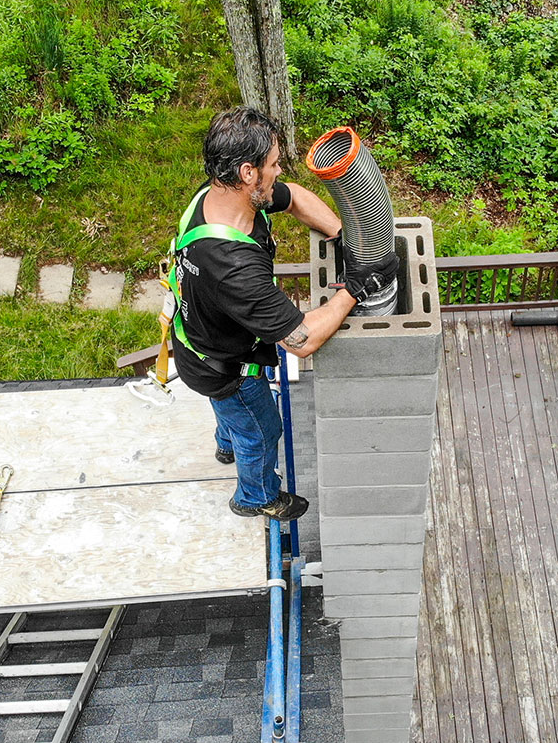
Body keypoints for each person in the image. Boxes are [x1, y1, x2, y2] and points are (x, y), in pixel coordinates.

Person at [169, 106, 397, 522]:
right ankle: (255, 498)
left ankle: (226, 444)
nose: (278, 171)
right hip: (227, 369)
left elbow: (294, 198)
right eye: (272, 165)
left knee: (232, 420)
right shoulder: (233, 268)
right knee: (262, 432)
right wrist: (354, 289)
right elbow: (303, 340)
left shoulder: (217, 195)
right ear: (248, 172)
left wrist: (342, 236)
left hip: (198, 346)